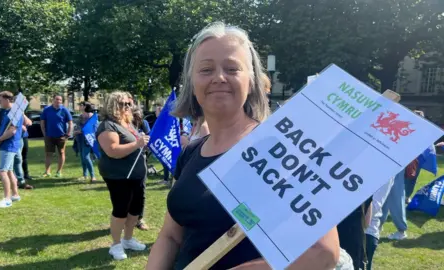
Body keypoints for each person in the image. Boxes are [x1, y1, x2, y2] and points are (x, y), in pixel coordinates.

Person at [146, 22, 339, 270]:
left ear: (251, 82)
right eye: (206, 69)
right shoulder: (191, 152)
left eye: (232, 68)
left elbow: (321, 253)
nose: (219, 77)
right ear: (192, 83)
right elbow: (171, 235)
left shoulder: (281, 149)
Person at [97, 91, 150, 260]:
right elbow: (112, 151)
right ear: (112, 105)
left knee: (135, 209)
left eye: (129, 104)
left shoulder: (129, 123)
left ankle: (128, 239)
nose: (127, 107)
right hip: (118, 176)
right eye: (123, 104)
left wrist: (143, 144)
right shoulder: (107, 126)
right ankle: (116, 244)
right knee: (121, 209)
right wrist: (137, 143)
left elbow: (136, 145)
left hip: (136, 174)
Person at [0, 91, 23, 208]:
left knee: (2, 171)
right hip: (5, 145)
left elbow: (12, 131)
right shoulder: (6, 112)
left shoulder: (15, 113)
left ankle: (7, 199)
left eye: (0, 100)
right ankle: (15, 195)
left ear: (7, 100)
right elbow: (4, 128)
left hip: (9, 145)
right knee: (9, 171)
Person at [40, 95, 73, 177]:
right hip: (49, 136)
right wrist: (44, 133)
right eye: (57, 99)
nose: (58, 101)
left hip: (61, 136)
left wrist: (68, 133)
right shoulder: (46, 110)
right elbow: (42, 122)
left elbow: (70, 122)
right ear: (53, 100)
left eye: (60, 100)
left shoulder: (65, 110)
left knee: (61, 153)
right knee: (48, 153)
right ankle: (47, 171)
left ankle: (59, 171)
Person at [74, 101, 97, 183]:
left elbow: (94, 129)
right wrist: (76, 131)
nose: (79, 106)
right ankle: (84, 175)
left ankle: (93, 176)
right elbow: (77, 127)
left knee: (86, 157)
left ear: (84, 106)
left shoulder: (92, 117)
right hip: (79, 139)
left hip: (88, 139)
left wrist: (80, 131)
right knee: (82, 157)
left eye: (80, 105)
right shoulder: (80, 116)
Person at [13, 114, 34, 189]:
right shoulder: (9, 112)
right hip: (14, 138)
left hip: (23, 137)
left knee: (21, 158)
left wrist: (22, 113)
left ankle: (24, 176)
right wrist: (20, 126)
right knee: (16, 160)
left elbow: (29, 122)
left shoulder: (21, 113)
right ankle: (15, 180)